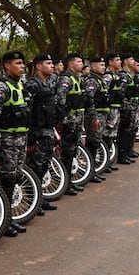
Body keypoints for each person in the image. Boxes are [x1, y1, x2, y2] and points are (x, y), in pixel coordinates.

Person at [0, 51, 32, 236]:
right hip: (7, 140)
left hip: (20, 139)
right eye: (18, 63)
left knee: (14, 178)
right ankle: (2, 220)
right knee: (6, 179)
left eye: (22, 63)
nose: (22, 66)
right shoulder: (1, 86)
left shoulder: (18, 85)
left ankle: (8, 217)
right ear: (7, 66)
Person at [24, 54, 59, 212]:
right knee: (36, 166)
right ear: (39, 66)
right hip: (37, 132)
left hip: (47, 130)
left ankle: (39, 198)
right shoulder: (33, 84)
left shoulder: (47, 82)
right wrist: (30, 136)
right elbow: (27, 110)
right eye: (49, 63)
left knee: (44, 164)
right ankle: (34, 201)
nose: (52, 66)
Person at [54, 52, 91, 194]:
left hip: (77, 120)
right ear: (71, 64)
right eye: (79, 62)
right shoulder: (66, 79)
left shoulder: (78, 79)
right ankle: (65, 184)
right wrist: (64, 122)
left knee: (73, 151)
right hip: (69, 121)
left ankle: (70, 181)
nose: (81, 64)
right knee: (67, 153)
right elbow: (61, 102)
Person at [82, 57, 109, 181]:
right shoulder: (92, 81)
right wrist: (93, 118)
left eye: (104, 65)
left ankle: (94, 170)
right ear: (93, 66)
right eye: (101, 65)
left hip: (101, 115)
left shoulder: (99, 80)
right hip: (95, 116)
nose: (104, 67)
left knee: (96, 142)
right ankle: (90, 172)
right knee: (92, 143)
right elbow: (89, 100)